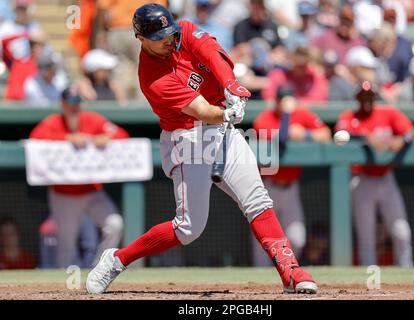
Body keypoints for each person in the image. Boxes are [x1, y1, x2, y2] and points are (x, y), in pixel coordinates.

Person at [86, 3, 317, 295]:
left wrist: (231, 86)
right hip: (187, 139)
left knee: (258, 200)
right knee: (188, 228)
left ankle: (291, 272)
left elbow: (213, 54)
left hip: (222, 131)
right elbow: (201, 111)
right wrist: (226, 114)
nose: (169, 40)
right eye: (160, 38)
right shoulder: (153, 78)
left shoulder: (183, 31)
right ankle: (116, 260)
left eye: (170, 33)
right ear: (141, 39)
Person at [29, 85, 127, 268]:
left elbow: (120, 133)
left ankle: (100, 268)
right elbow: (35, 141)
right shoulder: (53, 122)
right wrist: (67, 139)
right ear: (63, 104)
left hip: (92, 191)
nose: (75, 107)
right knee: (66, 248)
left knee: (115, 224)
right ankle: (68, 290)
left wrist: (106, 138)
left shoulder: (91, 119)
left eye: (78, 102)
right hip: (63, 194)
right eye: (71, 103)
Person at [335, 81, 414, 268]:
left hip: (386, 179)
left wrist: (401, 139)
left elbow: (412, 133)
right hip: (362, 180)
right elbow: (339, 135)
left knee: (401, 231)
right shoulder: (349, 117)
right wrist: (365, 136)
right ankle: (370, 284)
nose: (367, 100)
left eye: (370, 96)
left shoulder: (388, 113)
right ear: (357, 98)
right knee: (366, 236)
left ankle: (407, 274)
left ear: (375, 97)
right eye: (363, 96)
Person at [252, 84, 331, 266]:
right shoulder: (264, 119)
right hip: (267, 187)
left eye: (288, 99)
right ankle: (258, 286)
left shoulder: (302, 115)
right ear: (276, 101)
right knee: (262, 244)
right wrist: (287, 116)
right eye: (282, 99)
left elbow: (326, 134)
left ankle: (287, 272)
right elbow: (282, 139)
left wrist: (306, 135)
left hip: (291, 188)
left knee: (297, 239)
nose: (286, 103)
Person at [95, 0, 169, 99]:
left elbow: (102, 7)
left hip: (118, 29)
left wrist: (101, 30)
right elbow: (160, 8)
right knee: (144, 70)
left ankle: (123, 107)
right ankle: (142, 109)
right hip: (144, 29)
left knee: (120, 71)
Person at [262, 46, 328, 104]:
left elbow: (320, 101)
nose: (301, 65)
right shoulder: (277, 75)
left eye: (305, 62)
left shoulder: (316, 76)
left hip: (309, 115)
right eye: (299, 62)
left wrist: (296, 103)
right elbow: (268, 100)